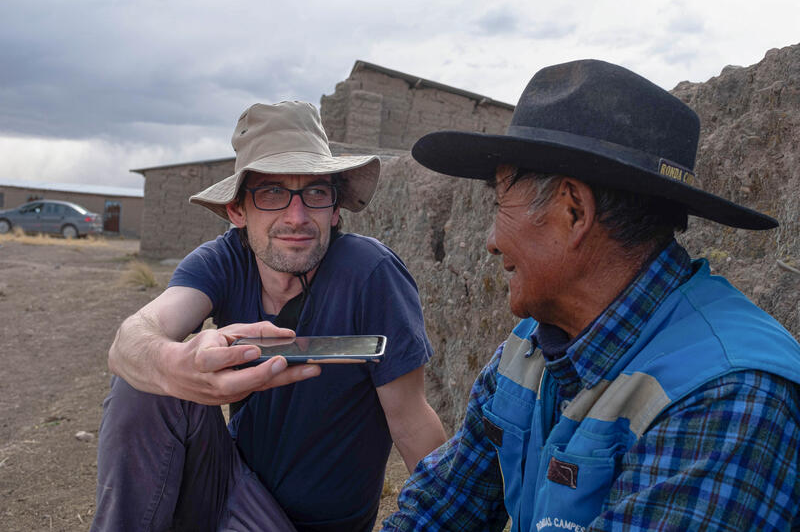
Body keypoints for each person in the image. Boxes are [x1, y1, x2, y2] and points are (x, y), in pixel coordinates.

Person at [383, 60, 800, 531]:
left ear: (573, 210)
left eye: (500, 204)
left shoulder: (726, 398)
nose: (491, 240)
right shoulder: (527, 355)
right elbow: (441, 508)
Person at [92, 101, 446, 532]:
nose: (296, 217)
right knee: (142, 380)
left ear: (335, 209)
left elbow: (411, 420)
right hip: (228, 490)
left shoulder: (369, 274)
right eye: (272, 192)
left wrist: (452, 518)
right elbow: (132, 339)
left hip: (310, 525)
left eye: (315, 192)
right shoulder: (223, 261)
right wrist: (174, 366)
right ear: (237, 211)